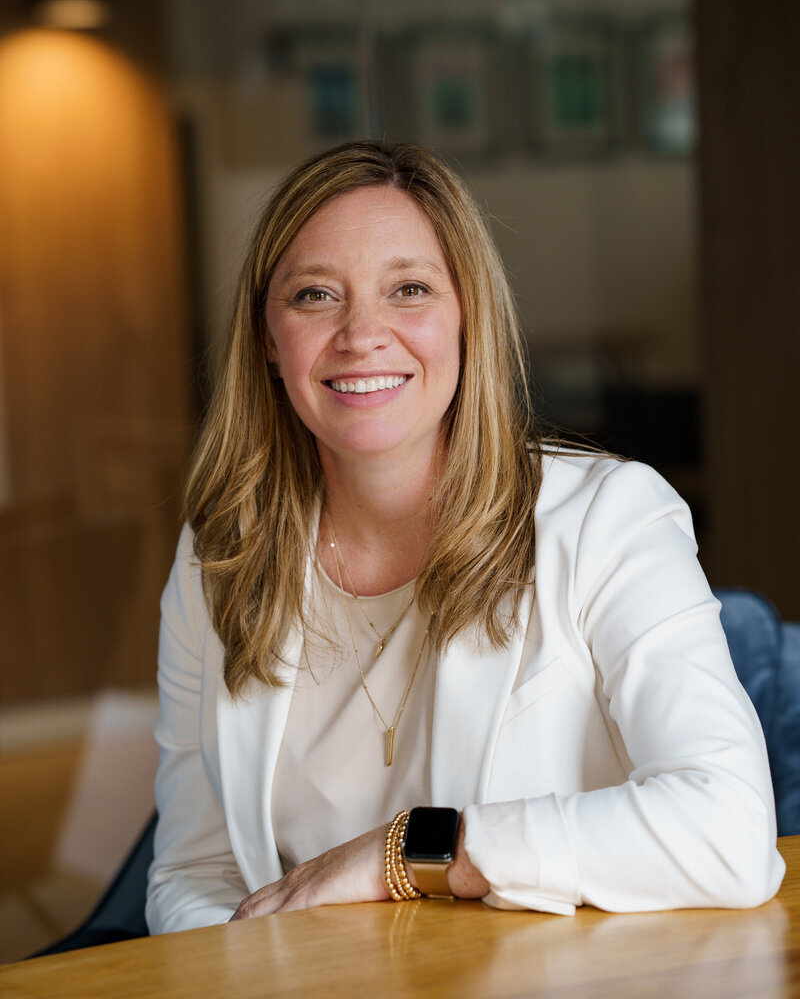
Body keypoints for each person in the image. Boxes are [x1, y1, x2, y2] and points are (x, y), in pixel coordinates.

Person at [146, 140, 784, 934]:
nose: (361, 334)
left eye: (408, 289)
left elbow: (730, 833)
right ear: (270, 342)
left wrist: (407, 853)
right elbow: (194, 872)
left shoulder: (609, 519)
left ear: (467, 318)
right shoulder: (220, 557)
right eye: (315, 296)